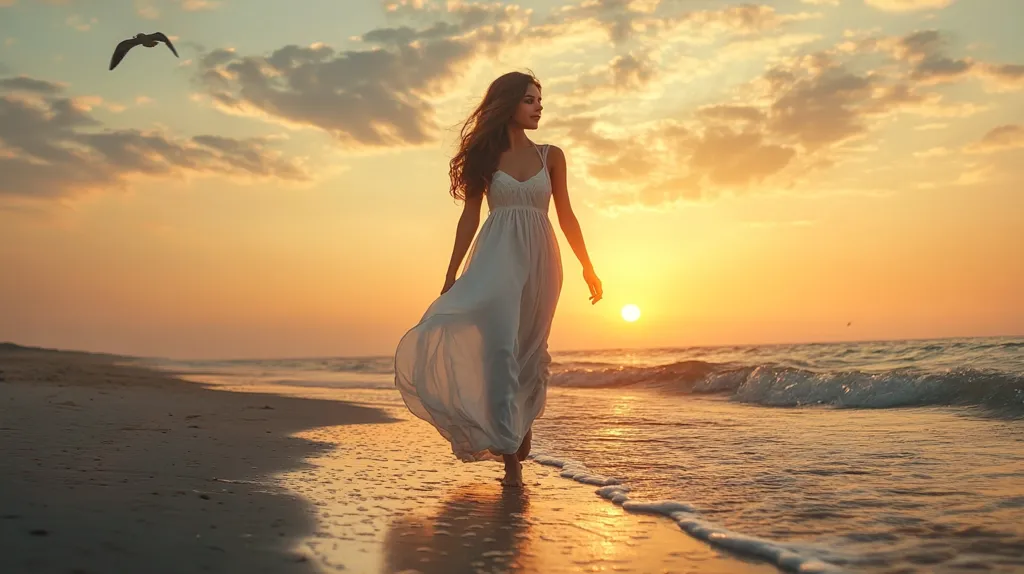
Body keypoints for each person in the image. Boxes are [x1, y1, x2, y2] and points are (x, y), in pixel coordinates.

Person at [393, 71, 603, 487]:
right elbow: (470, 215)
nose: (539, 106)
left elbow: (566, 214)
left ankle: (519, 424)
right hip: (495, 258)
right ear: (508, 104)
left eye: (540, 99)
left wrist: (587, 264)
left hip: (543, 259)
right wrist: (451, 272)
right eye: (530, 99)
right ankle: (510, 455)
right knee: (501, 348)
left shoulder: (552, 155)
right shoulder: (485, 158)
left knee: (530, 347)